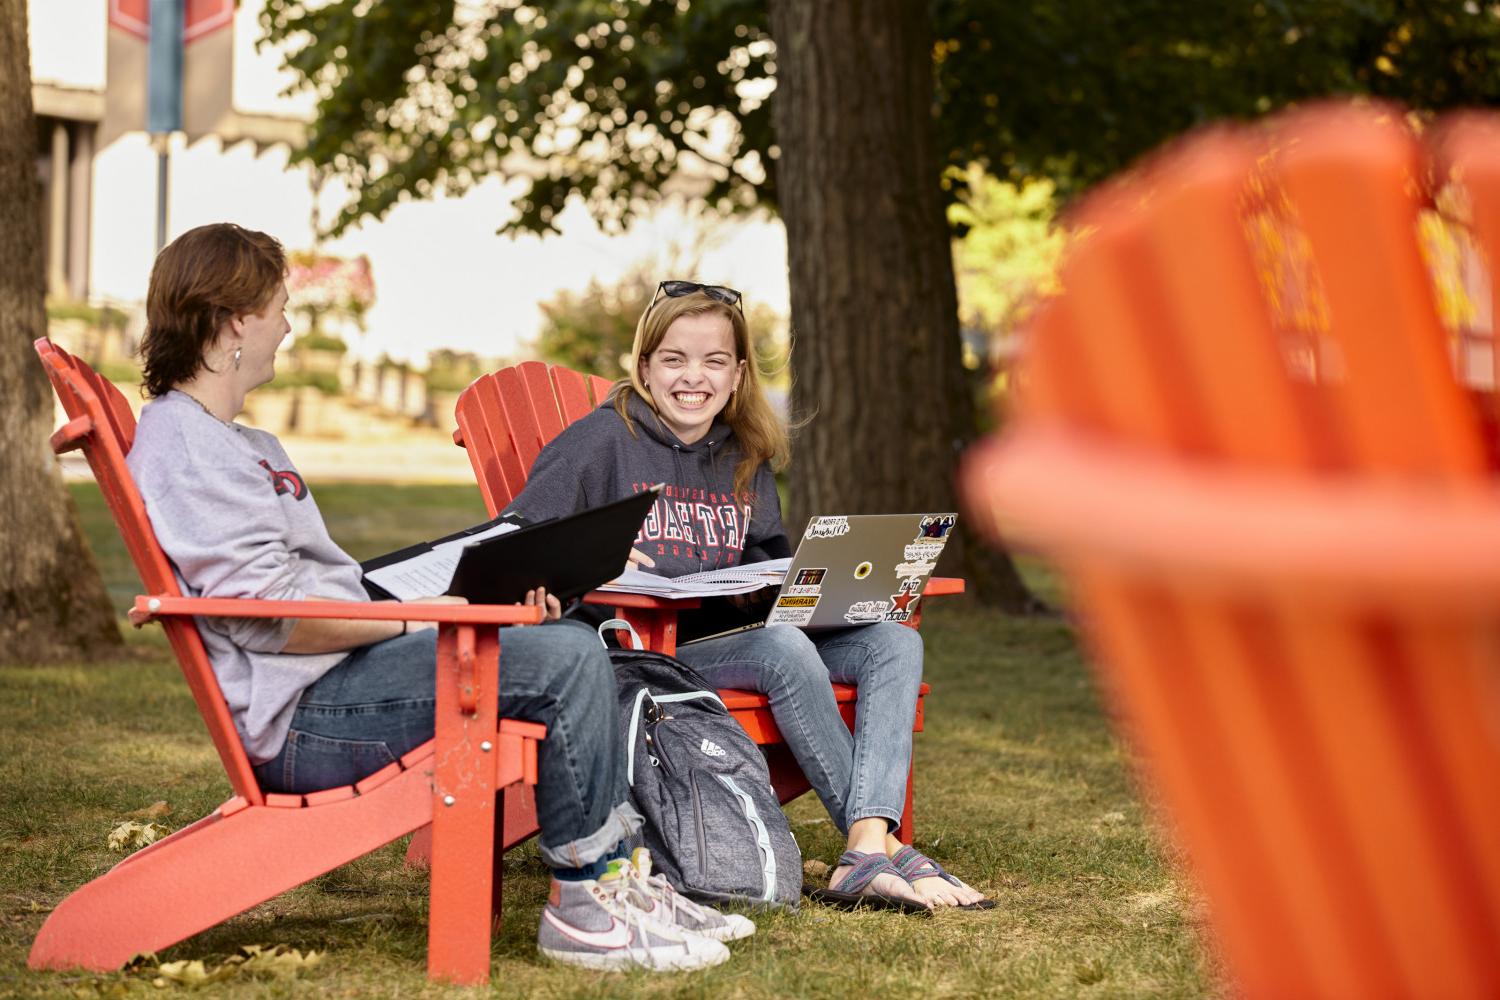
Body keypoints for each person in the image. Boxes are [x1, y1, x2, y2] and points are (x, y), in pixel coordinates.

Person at [127, 225, 754, 971]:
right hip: (303, 717)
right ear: (235, 320)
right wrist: (431, 611)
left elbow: (312, 589)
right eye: (279, 307)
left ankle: (619, 880)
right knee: (566, 654)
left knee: (561, 637)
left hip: (343, 672)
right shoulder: (187, 444)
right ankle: (588, 904)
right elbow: (274, 618)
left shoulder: (243, 441)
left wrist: (456, 584)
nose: (288, 326)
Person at [506, 279, 992, 911]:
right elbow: (515, 545)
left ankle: (868, 842)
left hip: (725, 639)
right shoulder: (599, 444)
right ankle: (875, 853)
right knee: (784, 648)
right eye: (675, 359)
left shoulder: (744, 453)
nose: (693, 378)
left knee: (892, 640)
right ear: (645, 366)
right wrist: (595, 557)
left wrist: (796, 581)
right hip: (638, 658)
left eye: (714, 362)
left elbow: (763, 557)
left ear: (737, 374)